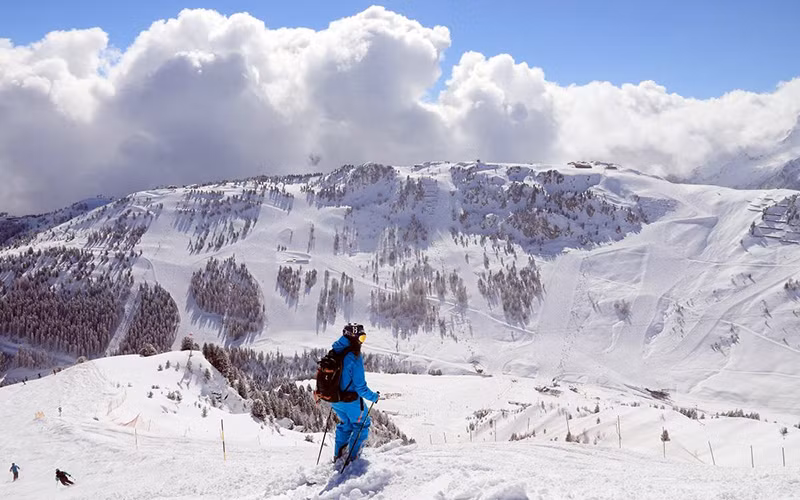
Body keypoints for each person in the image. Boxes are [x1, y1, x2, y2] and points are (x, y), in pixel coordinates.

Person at [330, 324, 380, 463]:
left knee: (346, 424)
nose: (361, 342)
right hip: (350, 400)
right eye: (361, 337)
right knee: (362, 424)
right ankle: (353, 459)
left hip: (334, 399)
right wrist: (374, 397)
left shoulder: (334, 351)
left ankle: (338, 455)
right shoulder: (354, 356)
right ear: (353, 337)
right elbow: (360, 387)